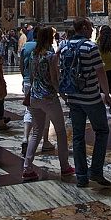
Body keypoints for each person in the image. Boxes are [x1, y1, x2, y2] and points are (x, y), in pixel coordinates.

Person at [61, 16, 111, 189]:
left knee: (77, 137)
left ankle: (81, 177)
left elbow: (61, 73)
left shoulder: (64, 46)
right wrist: (107, 94)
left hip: (73, 98)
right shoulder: (91, 47)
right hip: (91, 98)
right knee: (102, 131)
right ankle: (96, 171)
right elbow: (101, 72)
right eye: (90, 27)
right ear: (83, 27)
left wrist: (64, 96)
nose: (92, 30)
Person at [22, 24, 75, 181]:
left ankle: (27, 168)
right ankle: (65, 167)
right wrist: (63, 95)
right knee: (60, 131)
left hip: (34, 97)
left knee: (36, 132)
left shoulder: (33, 55)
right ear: (48, 39)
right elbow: (54, 79)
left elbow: (31, 78)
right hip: (48, 98)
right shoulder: (50, 56)